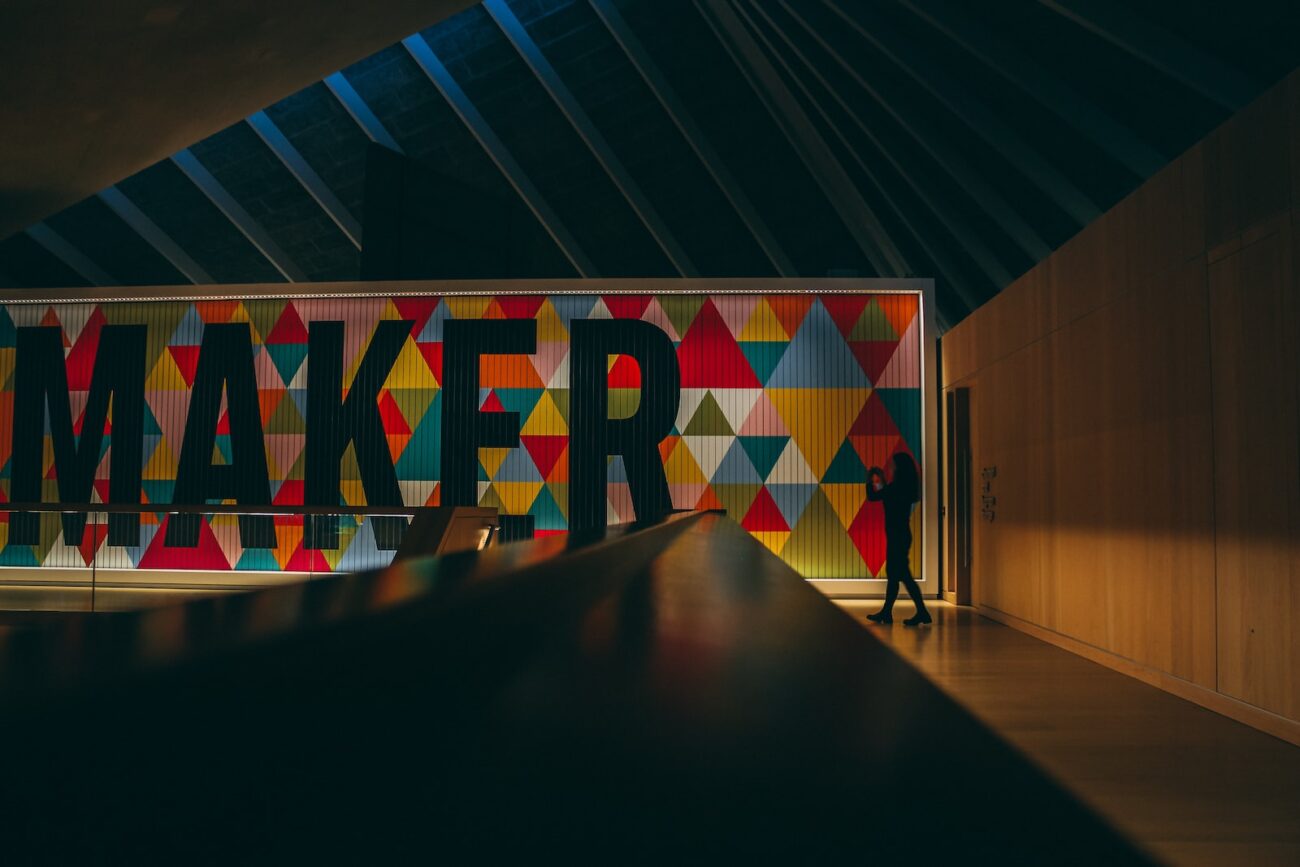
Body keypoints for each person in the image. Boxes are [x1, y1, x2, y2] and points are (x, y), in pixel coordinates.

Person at [865, 453, 931, 626]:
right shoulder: (904, 487)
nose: (890, 467)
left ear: (899, 468)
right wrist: (882, 480)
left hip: (897, 537)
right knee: (896, 575)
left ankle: (920, 612)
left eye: (893, 464)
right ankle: (888, 613)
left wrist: (870, 479)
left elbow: (873, 497)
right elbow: (886, 494)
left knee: (901, 576)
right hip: (901, 535)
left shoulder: (896, 487)